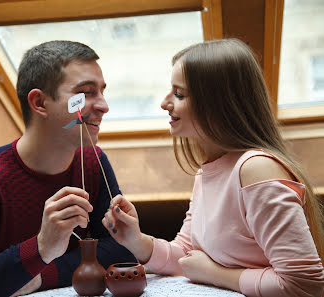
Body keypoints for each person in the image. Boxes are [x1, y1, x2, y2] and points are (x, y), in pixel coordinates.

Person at [0, 40, 136, 297]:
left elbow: (121, 249)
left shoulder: (92, 161)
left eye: (102, 92)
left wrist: (40, 276)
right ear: (40, 103)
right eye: (85, 93)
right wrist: (41, 248)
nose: (103, 106)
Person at [103, 38, 324, 297]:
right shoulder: (208, 171)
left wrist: (215, 274)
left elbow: (305, 285)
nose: (164, 103)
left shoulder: (257, 170)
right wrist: (136, 241)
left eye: (179, 94)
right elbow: (188, 257)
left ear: (219, 103)